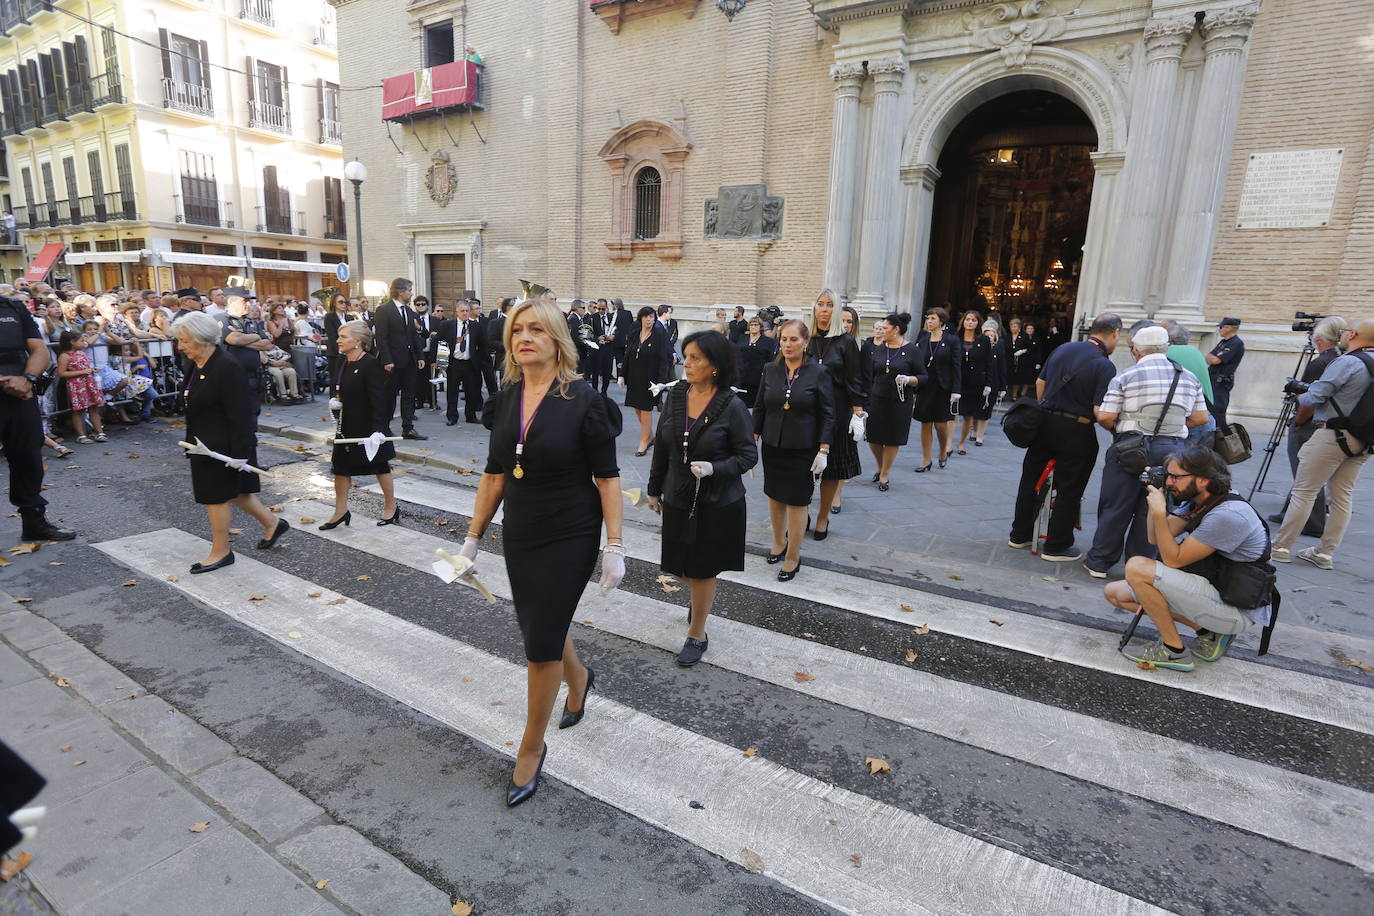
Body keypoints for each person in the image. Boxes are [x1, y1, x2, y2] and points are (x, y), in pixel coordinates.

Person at [461, 296, 625, 807]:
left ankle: (531, 748)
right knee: (540, 625)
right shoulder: (507, 398)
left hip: (571, 531)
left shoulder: (583, 400)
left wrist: (614, 546)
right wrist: (471, 539)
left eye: (536, 329)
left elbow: (607, 477)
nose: (524, 338)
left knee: (538, 645)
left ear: (557, 340)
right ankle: (579, 678)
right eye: (516, 331)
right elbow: (493, 475)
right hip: (522, 530)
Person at [1106, 446, 1275, 672]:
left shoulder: (1227, 515)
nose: (1169, 482)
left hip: (1236, 609)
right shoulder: (1199, 500)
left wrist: (1159, 513)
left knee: (1137, 568)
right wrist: (1155, 503)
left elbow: (1174, 559)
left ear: (1203, 480)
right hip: (1217, 592)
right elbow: (1154, 537)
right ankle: (1210, 633)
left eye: (1175, 477)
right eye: (1168, 476)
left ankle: (1173, 651)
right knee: (1116, 594)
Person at [646, 331, 757, 667]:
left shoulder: (732, 405)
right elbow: (663, 445)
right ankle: (700, 597)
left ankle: (697, 633)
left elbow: (748, 456)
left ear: (715, 366)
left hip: (716, 501)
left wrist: (715, 468)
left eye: (695, 358)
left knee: (703, 569)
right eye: (686, 356)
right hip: (679, 495)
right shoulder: (677, 394)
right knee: (680, 566)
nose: (686, 363)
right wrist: (654, 488)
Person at [1083, 325, 1210, 577]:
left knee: (1115, 505)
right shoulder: (1188, 377)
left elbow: (1106, 416)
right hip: (1171, 452)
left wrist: (1120, 430)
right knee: (1154, 508)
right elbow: (1201, 418)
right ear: (1166, 348)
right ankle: (1140, 565)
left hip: (1130, 448)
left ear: (1137, 351)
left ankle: (1100, 562)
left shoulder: (1126, 376)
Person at [175, 312, 289, 574]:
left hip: (223, 446)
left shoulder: (226, 366)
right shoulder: (196, 363)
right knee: (237, 493)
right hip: (203, 442)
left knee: (216, 498)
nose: (181, 346)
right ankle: (273, 523)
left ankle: (221, 551)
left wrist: (240, 454)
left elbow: (242, 413)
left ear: (202, 339)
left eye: (185, 341)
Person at [1008, 313, 1122, 560]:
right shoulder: (1105, 365)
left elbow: (1040, 382)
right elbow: (1098, 411)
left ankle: (1020, 535)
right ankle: (1056, 545)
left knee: (1030, 480)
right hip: (1077, 430)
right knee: (1070, 487)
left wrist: (1046, 408)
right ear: (1114, 333)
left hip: (1045, 424)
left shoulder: (1064, 348)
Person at [1272, 318, 1374, 569]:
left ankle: (1281, 546)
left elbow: (1316, 396)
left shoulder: (1348, 361)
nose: (1343, 334)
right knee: (1342, 497)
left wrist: (1299, 392)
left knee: (1305, 491)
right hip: (1365, 439)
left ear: (1354, 335)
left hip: (1332, 434)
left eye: (1347, 330)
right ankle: (1325, 553)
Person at [754, 319, 834, 582]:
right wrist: (751, 439)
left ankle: (793, 555)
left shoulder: (818, 373)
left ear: (806, 342)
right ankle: (779, 542)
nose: (787, 344)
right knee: (774, 496)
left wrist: (823, 449)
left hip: (804, 447)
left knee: (797, 501)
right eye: (784, 339)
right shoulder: (770, 369)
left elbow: (828, 414)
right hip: (773, 445)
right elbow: (761, 406)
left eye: (794, 340)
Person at [0, 294, 75, 541]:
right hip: (11, 386)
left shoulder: (12, 306)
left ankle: (34, 523)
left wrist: (28, 379)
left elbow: (39, 349)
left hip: (20, 394)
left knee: (28, 460)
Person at [1269, 315, 1346, 534]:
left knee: (1305, 471)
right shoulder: (1340, 359)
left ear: (1319, 340)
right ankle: (1288, 510)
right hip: (1329, 421)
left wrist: (1299, 421)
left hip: (1310, 423)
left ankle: (1312, 522)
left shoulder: (1319, 363)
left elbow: (1311, 398)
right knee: (1307, 470)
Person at [320, 321, 399, 528]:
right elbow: (338, 386)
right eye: (339, 336)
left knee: (380, 466)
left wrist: (379, 430)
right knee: (340, 468)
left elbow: (380, 400)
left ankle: (391, 506)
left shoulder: (370, 364)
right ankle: (340, 511)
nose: (338, 340)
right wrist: (336, 400)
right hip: (346, 425)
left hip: (368, 426)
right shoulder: (342, 361)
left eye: (343, 337)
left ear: (357, 341)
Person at [806, 291, 863, 536]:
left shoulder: (845, 341)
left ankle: (822, 517)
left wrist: (858, 414)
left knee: (831, 470)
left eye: (830, 305)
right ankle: (801, 514)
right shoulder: (805, 338)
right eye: (821, 304)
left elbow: (854, 380)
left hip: (836, 412)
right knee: (803, 467)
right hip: (806, 411)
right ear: (814, 308)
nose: (825, 309)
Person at [865, 313, 926, 491]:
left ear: (896, 329)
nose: (881, 331)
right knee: (873, 437)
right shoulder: (879, 347)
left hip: (899, 401)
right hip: (877, 398)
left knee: (892, 439)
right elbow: (871, 373)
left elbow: (923, 376)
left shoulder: (912, 350)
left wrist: (909, 379)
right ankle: (879, 465)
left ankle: (885, 473)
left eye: (885, 328)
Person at [374, 277, 428, 440]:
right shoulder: (384, 310)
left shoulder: (409, 311)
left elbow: (414, 336)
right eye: (409, 290)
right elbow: (381, 337)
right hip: (393, 362)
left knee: (409, 395)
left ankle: (408, 428)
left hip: (410, 360)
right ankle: (384, 427)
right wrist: (387, 360)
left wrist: (420, 356)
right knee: (389, 395)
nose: (411, 294)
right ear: (400, 291)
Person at [912, 307, 961, 472]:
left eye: (933, 318)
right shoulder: (923, 338)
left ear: (942, 321)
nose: (929, 321)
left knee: (940, 425)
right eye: (928, 318)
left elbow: (956, 367)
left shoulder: (952, 340)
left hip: (943, 387)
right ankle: (926, 460)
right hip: (925, 386)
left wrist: (956, 390)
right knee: (925, 424)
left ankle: (942, 451)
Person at [622, 305, 673, 455]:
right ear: (641, 318)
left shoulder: (658, 334)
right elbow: (628, 354)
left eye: (652, 317)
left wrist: (661, 381)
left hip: (650, 380)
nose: (649, 319)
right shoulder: (634, 333)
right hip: (634, 377)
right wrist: (621, 374)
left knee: (646, 409)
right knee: (637, 408)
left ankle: (644, 441)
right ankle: (650, 436)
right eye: (646, 316)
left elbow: (663, 359)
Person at [1161, 320, 1216, 446]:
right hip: (1207, 418)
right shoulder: (1196, 352)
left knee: (1180, 463)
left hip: (1189, 422)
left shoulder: (1167, 354)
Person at [218, 288, 274, 408]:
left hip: (253, 377)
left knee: (253, 412)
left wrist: (244, 340)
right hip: (232, 377)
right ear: (232, 302)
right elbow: (234, 339)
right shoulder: (222, 318)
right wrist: (255, 336)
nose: (249, 304)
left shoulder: (251, 322)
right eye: (245, 301)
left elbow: (268, 344)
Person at [953, 309, 993, 455]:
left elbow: (989, 362)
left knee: (968, 415)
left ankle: (961, 443)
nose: (970, 322)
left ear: (978, 323)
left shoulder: (983, 340)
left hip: (975, 382)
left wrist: (988, 383)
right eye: (968, 319)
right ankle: (947, 444)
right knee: (952, 414)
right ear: (963, 321)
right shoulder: (955, 339)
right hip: (957, 381)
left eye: (973, 320)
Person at [442, 300, 487, 426]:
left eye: (467, 311)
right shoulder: (448, 325)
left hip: (470, 364)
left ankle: (471, 416)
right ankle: (452, 417)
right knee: (452, 392)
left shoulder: (476, 326)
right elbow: (439, 341)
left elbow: (483, 345)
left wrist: (479, 360)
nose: (465, 313)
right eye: (462, 311)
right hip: (454, 363)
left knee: (471, 391)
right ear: (456, 311)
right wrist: (439, 361)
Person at [974, 319, 1007, 446]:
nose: (989, 338)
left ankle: (980, 436)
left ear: (995, 338)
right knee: (975, 409)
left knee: (986, 411)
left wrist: (1003, 388)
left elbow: (1002, 369)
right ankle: (974, 430)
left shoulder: (998, 351)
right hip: (978, 384)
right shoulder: (977, 350)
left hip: (993, 384)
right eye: (986, 335)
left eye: (991, 335)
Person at [1206, 317, 1245, 426]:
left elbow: (1216, 360)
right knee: (1209, 407)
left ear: (1229, 328)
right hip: (1213, 379)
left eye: (1221, 327)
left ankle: (1220, 436)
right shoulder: (1223, 342)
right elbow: (1208, 357)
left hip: (1221, 382)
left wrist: (1213, 359)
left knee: (1218, 410)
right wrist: (1212, 359)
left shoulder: (1236, 343)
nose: (1219, 329)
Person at [734, 315, 778, 407]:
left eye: (756, 325)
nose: (753, 327)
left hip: (758, 379)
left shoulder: (767, 341)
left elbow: (771, 359)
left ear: (760, 327)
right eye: (751, 325)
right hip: (742, 377)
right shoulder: (742, 338)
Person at [412, 295, 439, 409]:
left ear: (427, 306)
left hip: (431, 352)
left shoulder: (435, 320)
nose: (421, 306)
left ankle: (433, 401)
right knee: (418, 379)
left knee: (432, 377)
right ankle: (420, 401)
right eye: (418, 304)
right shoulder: (412, 319)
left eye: (423, 304)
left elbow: (439, 338)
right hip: (418, 353)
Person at [323, 293, 350, 393]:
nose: (344, 304)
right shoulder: (329, 317)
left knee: (347, 379)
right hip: (335, 353)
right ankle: (334, 402)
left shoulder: (349, 317)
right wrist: (341, 351)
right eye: (340, 302)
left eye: (345, 302)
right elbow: (332, 336)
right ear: (334, 304)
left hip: (349, 352)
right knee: (335, 379)